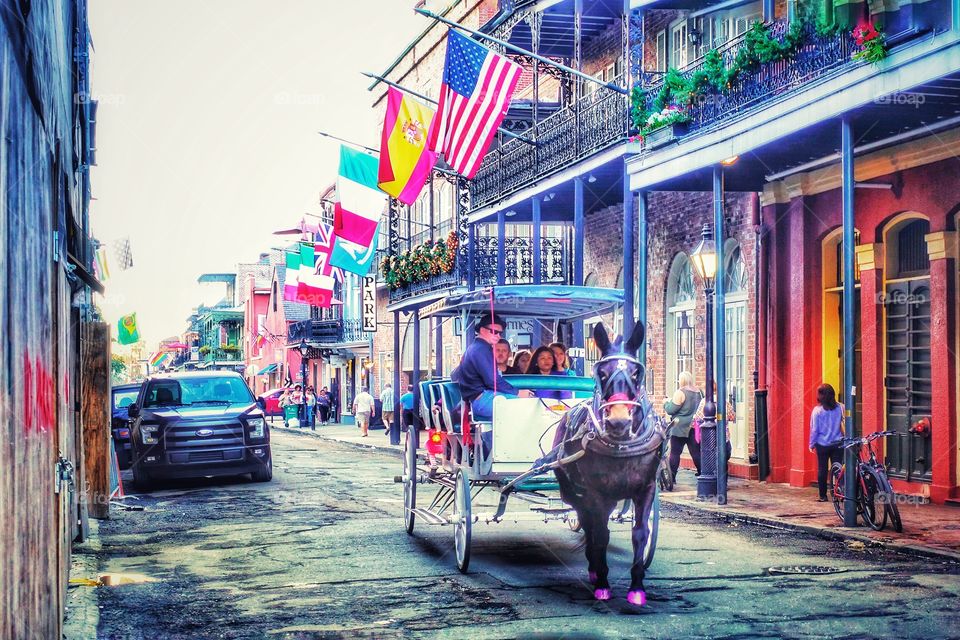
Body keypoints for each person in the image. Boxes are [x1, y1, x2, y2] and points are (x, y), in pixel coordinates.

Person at [451, 312, 534, 421]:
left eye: (500, 333)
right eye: (494, 332)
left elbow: (455, 375)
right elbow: (492, 380)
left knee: (526, 405)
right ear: (482, 330)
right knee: (529, 405)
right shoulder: (481, 349)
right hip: (483, 400)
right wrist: (518, 392)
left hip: (480, 399)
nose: (498, 336)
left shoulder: (475, 348)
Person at [663, 371, 703, 485]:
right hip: (694, 426)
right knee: (696, 452)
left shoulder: (680, 393)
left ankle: (672, 477)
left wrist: (665, 403)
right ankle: (702, 474)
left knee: (675, 453)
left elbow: (671, 410)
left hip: (679, 427)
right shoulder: (700, 392)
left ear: (682, 380)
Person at [809, 383, 844, 502]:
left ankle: (823, 496)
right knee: (837, 469)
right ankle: (837, 492)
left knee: (822, 469)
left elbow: (814, 430)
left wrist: (811, 444)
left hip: (822, 444)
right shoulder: (841, 407)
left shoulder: (817, 411)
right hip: (838, 443)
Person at [691, 381, 736, 462]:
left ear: (706, 390)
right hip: (723, 438)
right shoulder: (724, 402)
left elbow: (698, 418)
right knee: (725, 456)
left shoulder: (704, 402)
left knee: (710, 459)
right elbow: (732, 417)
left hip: (709, 438)